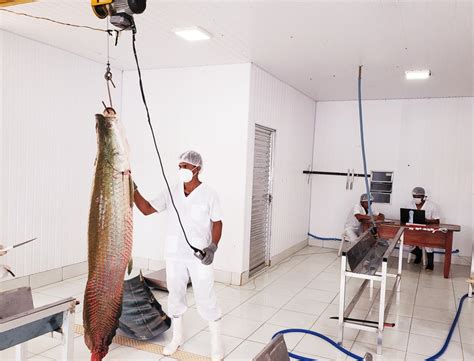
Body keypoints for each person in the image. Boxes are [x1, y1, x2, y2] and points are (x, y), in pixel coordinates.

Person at [133, 150, 224, 361]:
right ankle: (176, 338)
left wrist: (212, 247)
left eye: (185, 166)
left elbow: (217, 222)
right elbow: (146, 209)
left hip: (200, 255)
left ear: (197, 169)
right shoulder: (171, 191)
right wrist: (132, 187)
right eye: (180, 166)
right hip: (175, 254)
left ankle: (216, 344)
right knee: (175, 295)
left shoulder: (210, 194)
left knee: (205, 296)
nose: (181, 170)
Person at [407, 186, 440, 271]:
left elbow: (437, 221)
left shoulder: (431, 206)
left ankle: (430, 264)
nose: (416, 199)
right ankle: (418, 254)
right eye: (414, 197)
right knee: (407, 243)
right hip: (413, 229)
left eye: (418, 197)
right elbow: (406, 216)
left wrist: (426, 221)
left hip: (426, 229)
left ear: (423, 196)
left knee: (428, 245)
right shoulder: (410, 204)